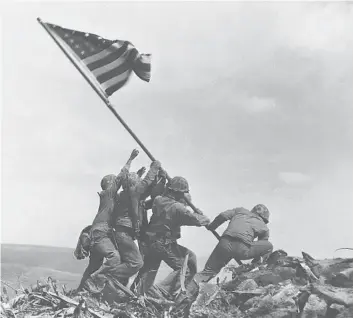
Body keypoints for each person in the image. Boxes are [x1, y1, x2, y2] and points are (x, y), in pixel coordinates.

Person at [177, 204, 273, 306]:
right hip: (242, 249)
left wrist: (212, 226)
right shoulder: (264, 227)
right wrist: (255, 263)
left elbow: (223, 216)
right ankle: (255, 269)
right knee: (268, 246)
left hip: (224, 244)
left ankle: (183, 296)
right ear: (264, 218)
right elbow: (261, 247)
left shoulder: (240, 210)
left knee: (207, 272)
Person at [133, 176, 210, 298]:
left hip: (151, 242)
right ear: (179, 192)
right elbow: (199, 221)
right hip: (165, 244)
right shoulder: (178, 208)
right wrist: (202, 215)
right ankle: (163, 291)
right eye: (183, 193)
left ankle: (135, 292)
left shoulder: (158, 200)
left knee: (148, 270)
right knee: (186, 266)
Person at [82, 149, 139, 293]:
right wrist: (130, 159)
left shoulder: (109, 197)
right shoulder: (108, 193)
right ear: (109, 184)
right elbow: (121, 177)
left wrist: (139, 175)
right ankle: (96, 280)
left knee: (94, 264)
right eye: (114, 182)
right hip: (101, 232)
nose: (117, 184)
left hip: (99, 232)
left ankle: (81, 290)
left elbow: (127, 185)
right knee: (114, 258)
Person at [111, 160, 164, 286]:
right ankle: (105, 276)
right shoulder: (133, 192)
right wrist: (154, 167)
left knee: (129, 262)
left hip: (123, 233)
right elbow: (146, 183)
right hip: (124, 233)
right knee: (136, 263)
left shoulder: (128, 195)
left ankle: (117, 288)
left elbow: (146, 195)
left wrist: (162, 178)